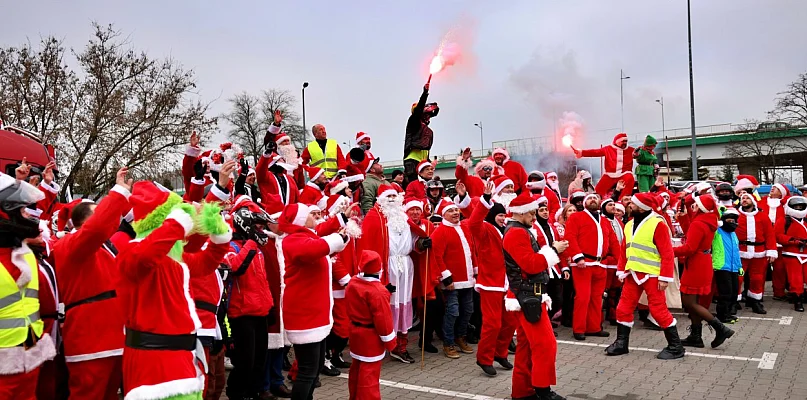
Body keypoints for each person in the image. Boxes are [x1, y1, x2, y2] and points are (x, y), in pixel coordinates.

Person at [118, 181, 233, 400]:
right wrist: (177, 223)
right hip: (153, 362)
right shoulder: (132, 252)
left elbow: (206, 263)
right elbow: (146, 256)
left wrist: (220, 237)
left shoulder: (176, 259)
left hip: (183, 356)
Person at [52, 168, 132, 400]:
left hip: (113, 336)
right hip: (91, 340)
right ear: (83, 222)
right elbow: (98, 228)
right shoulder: (70, 245)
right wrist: (117, 193)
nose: (109, 219)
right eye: (99, 214)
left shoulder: (103, 246)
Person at [279, 203, 348, 399]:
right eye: (310, 214)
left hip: (315, 314)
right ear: (300, 219)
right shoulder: (293, 239)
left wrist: (343, 238)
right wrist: (337, 238)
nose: (315, 217)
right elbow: (314, 249)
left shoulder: (307, 236)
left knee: (314, 369)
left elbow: (323, 248)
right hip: (304, 314)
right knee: (307, 371)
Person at [502, 192, 568, 400]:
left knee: (526, 346)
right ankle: (542, 389)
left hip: (528, 294)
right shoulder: (516, 233)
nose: (534, 216)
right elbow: (531, 264)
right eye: (531, 213)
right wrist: (554, 251)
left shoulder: (519, 230)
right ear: (521, 213)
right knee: (545, 345)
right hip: (527, 295)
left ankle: (522, 392)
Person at [0, 172, 57, 399]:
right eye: (23, 211)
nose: (29, 216)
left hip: (30, 359)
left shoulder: (27, 257)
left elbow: (45, 308)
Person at [606, 193, 684, 359]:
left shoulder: (658, 224)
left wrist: (665, 277)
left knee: (658, 310)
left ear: (641, 207)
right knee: (623, 308)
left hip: (653, 275)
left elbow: (667, 253)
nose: (629, 206)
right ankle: (621, 343)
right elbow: (624, 250)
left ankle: (676, 346)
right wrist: (621, 269)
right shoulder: (629, 224)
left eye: (632, 204)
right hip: (632, 273)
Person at [359, 185, 429, 363]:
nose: (391, 199)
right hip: (387, 267)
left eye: (394, 196)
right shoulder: (374, 218)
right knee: (386, 305)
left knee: (404, 303)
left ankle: (401, 345)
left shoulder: (403, 217)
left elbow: (413, 239)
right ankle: (383, 344)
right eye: (387, 196)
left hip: (405, 266)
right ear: (380, 199)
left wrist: (420, 244)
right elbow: (367, 245)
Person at [462, 182, 518, 376]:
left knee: (510, 322)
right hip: (490, 284)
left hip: (507, 283)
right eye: (500, 215)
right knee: (492, 324)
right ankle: (484, 358)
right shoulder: (484, 229)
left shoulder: (509, 230)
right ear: (492, 215)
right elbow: (473, 222)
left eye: (504, 215)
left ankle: (500, 353)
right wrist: (485, 198)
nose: (503, 218)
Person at [224, 205, 275, 400]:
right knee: (246, 359)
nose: (260, 231)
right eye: (257, 227)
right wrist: (251, 244)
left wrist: (269, 306)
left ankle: (255, 390)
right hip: (241, 313)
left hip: (260, 310)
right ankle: (237, 392)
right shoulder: (231, 247)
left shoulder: (256, 249)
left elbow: (263, 281)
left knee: (260, 358)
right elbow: (235, 268)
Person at [674, 194, 735, 349]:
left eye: (695, 204)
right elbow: (691, 231)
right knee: (694, 302)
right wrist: (687, 203)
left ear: (700, 207)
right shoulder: (709, 220)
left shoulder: (698, 223)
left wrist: (668, 250)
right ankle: (696, 336)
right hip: (704, 261)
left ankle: (721, 328)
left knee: (689, 302)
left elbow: (689, 248)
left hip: (696, 264)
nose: (692, 206)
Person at [564, 193, 619, 340]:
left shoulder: (605, 221)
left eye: (595, 197)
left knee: (597, 297)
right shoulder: (576, 217)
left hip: (600, 264)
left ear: (600, 202)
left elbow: (613, 242)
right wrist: (578, 256)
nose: (593, 199)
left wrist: (620, 260)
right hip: (583, 264)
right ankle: (579, 329)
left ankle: (594, 327)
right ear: (584, 203)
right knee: (582, 297)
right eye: (590, 198)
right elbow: (570, 236)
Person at [346, 250, 397, 400]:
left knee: (356, 370)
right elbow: (384, 321)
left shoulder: (353, 282)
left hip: (355, 332)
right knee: (369, 377)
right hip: (370, 337)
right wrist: (391, 343)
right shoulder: (378, 291)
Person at [432, 198, 477, 359]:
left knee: (468, 311)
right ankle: (448, 342)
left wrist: (475, 271)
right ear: (444, 214)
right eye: (451, 211)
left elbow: (471, 252)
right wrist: (446, 278)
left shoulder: (464, 228)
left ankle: (460, 336)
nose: (456, 213)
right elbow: (437, 256)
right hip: (452, 282)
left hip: (467, 278)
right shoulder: (441, 231)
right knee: (453, 312)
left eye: (456, 210)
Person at [405, 198, 442, 354]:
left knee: (432, 306)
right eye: (412, 210)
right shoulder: (403, 226)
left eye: (417, 210)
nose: (415, 213)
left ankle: (425, 339)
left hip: (425, 269)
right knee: (408, 307)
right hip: (407, 269)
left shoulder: (428, 225)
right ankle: (399, 344)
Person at [531, 197, 570, 333]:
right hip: (543, 268)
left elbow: (561, 249)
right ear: (536, 213)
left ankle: (547, 321)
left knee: (557, 299)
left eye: (546, 210)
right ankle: (544, 325)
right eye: (541, 210)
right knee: (544, 298)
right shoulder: (533, 228)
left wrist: (564, 268)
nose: (545, 213)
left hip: (555, 268)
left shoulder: (553, 228)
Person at [736, 192, 777, 314]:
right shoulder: (736, 215)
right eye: (742, 198)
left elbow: (770, 235)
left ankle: (755, 301)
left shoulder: (763, 217)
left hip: (759, 253)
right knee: (738, 278)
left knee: (757, 279)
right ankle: (734, 301)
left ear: (753, 201)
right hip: (741, 253)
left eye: (747, 198)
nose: (744, 200)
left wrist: (771, 251)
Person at [574, 133, 636, 198]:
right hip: (610, 174)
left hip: (624, 174)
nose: (625, 143)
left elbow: (641, 153)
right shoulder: (608, 149)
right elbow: (595, 152)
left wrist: (641, 152)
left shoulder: (631, 150)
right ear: (617, 141)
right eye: (623, 141)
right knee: (599, 189)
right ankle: (597, 201)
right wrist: (582, 152)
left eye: (626, 141)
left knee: (630, 178)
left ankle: (623, 199)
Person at [775, 196, 807, 312]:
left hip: (806, 254)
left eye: (801, 207)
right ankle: (797, 300)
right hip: (791, 253)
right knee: (795, 279)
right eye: (796, 206)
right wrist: (794, 241)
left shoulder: (806, 219)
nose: (798, 208)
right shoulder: (784, 220)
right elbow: (778, 236)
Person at [404, 84, 438, 186]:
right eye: (426, 114)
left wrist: (430, 162)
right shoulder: (413, 123)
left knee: (426, 187)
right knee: (415, 186)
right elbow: (418, 111)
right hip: (412, 161)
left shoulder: (426, 129)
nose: (428, 117)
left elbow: (425, 149)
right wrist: (425, 93)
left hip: (422, 161)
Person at [712, 209, 742, 323]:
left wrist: (739, 266)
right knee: (725, 292)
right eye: (728, 220)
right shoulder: (717, 231)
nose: (731, 223)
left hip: (734, 267)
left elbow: (736, 251)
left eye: (733, 220)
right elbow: (712, 222)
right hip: (721, 266)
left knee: (734, 292)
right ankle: (722, 315)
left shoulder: (734, 234)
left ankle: (729, 313)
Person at [760, 183, 788, 300]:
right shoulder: (762, 202)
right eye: (773, 187)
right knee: (761, 269)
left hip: (779, 241)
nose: (772, 188)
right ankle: (757, 293)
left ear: (781, 193)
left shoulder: (785, 205)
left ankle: (779, 292)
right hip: (763, 240)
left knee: (779, 269)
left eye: (776, 188)